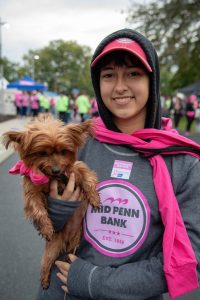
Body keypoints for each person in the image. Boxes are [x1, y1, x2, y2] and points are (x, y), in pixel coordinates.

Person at [36, 29, 200, 300]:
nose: (120, 86)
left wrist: (95, 281)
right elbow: (47, 229)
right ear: (98, 83)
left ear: (152, 80)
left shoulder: (183, 162)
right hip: (60, 293)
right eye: (109, 75)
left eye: (133, 73)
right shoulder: (73, 146)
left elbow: (190, 256)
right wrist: (57, 207)